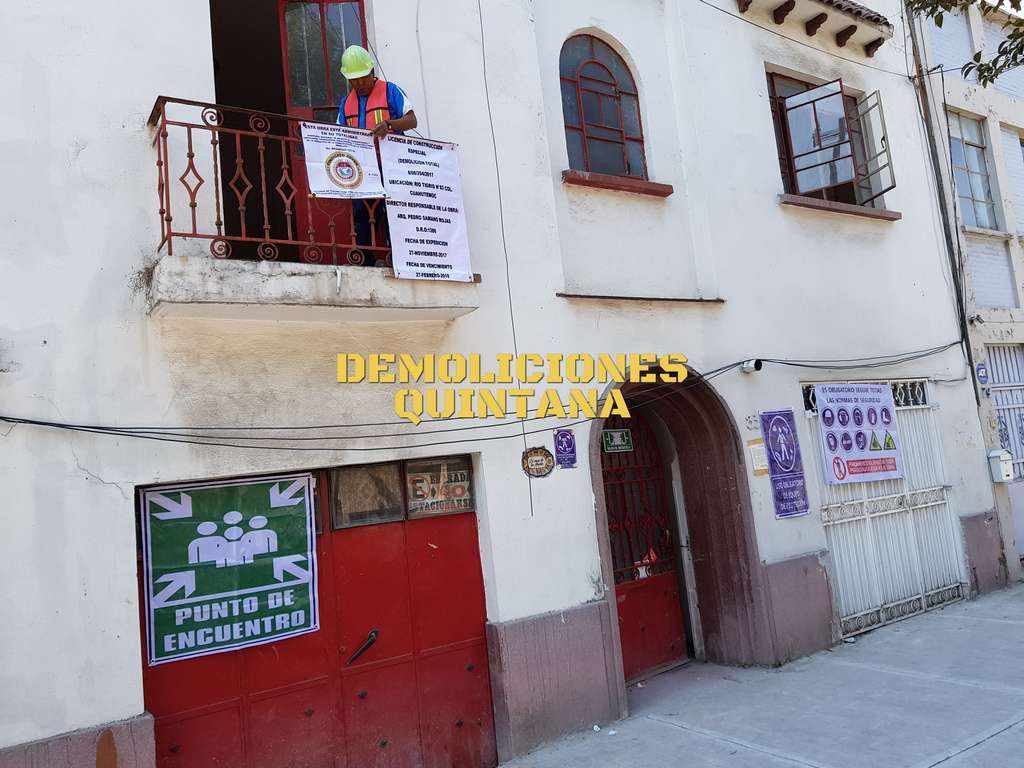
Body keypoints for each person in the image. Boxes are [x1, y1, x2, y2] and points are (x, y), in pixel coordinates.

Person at [336, 45, 418, 262]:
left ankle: (398, 258)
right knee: (362, 215)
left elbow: (412, 120)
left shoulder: (391, 91)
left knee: (392, 212)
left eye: (362, 78)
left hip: (391, 166)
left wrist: (389, 125)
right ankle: (366, 260)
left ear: (371, 72)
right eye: (354, 80)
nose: (359, 84)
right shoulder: (346, 103)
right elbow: (339, 134)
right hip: (362, 170)